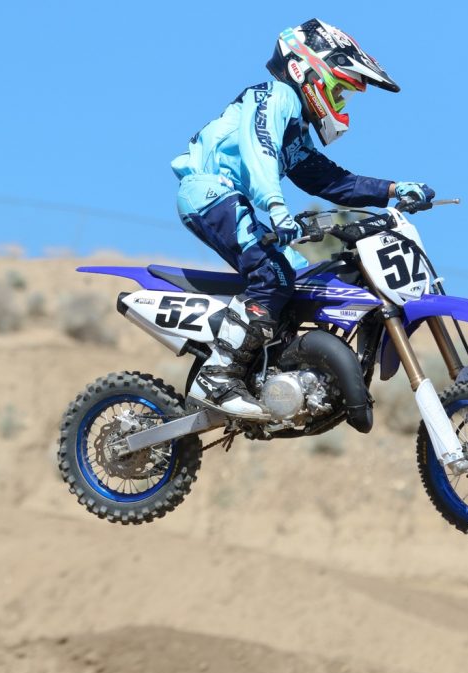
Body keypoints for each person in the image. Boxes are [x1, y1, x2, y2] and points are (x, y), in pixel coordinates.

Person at [171, 18, 434, 418]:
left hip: (231, 199)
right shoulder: (274, 97)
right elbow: (259, 150)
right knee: (273, 276)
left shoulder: (295, 131)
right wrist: (275, 205)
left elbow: (332, 181)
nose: (341, 103)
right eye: (340, 91)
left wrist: (394, 190)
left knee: (303, 279)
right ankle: (217, 377)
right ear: (308, 70)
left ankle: (271, 374)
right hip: (210, 193)